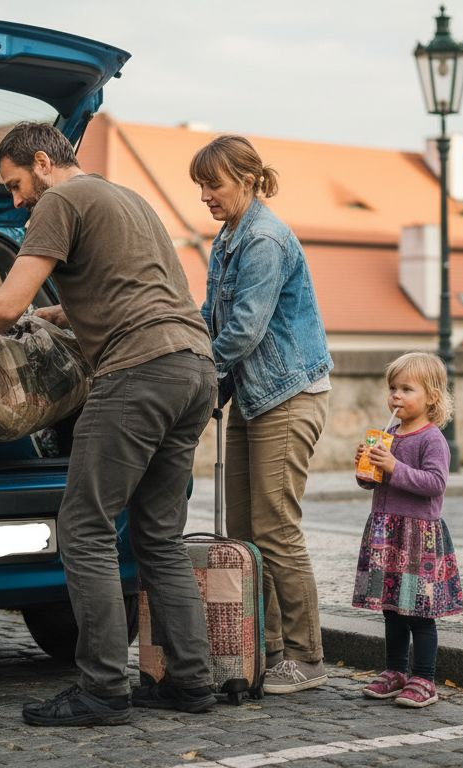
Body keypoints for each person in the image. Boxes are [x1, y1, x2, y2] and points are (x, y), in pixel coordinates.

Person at [0, 121, 218, 726]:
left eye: (15, 184)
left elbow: (5, 305)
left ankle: (102, 690)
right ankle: (190, 682)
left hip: (138, 375)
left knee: (85, 529)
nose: (15, 200)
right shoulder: (123, 197)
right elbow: (121, 289)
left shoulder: (60, 200)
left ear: (42, 162)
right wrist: (57, 314)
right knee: (159, 537)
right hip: (193, 368)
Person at [190, 135, 333, 694]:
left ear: (247, 180)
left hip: (289, 393)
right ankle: (268, 649)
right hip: (253, 395)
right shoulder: (226, 240)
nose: (205, 194)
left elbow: (244, 329)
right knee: (245, 532)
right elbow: (210, 317)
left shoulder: (265, 240)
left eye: (214, 183)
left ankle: (307, 657)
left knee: (275, 528)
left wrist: (200, 377)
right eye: (200, 184)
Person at [351, 352, 463, 709]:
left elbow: (435, 483)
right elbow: (372, 484)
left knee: (418, 611)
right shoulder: (388, 434)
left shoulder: (432, 440)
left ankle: (425, 678)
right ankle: (396, 671)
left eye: (406, 389)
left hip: (417, 539)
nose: (396, 396)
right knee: (391, 608)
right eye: (392, 388)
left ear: (431, 397)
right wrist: (366, 467)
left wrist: (395, 467)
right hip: (388, 534)